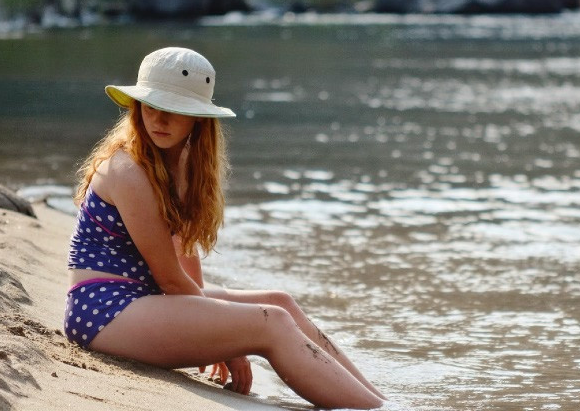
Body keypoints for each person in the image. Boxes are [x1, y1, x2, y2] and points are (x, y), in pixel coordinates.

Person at [64, 47, 385, 409]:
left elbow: (186, 264)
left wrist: (213, 325)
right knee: (271, 323)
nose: (159, 119)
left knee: (279, 302)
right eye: (151, 106)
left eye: (173, 110)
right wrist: (229, 342)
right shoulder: (128, 171)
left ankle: (380, 401)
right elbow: (170, 279)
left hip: (143, 300)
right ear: (136, 107)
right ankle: (370, 410)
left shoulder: (178, 164)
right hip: (105, 311)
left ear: (198, 119)